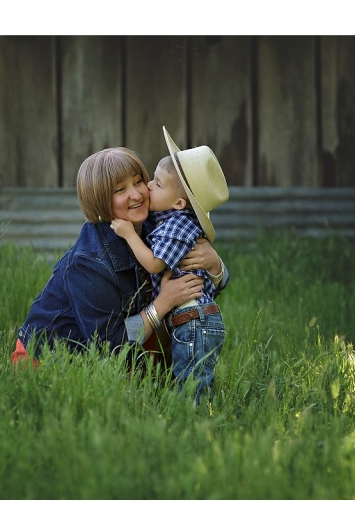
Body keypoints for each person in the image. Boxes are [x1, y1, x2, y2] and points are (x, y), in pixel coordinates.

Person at [12, 146, 228, 373]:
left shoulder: (158, 223)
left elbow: (201, 289)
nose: (136, 195)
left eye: (138, 181)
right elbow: (110, 346)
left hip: (127, 349)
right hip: (53, 361)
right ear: (100, 200)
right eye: (120, 189)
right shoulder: (88, 263)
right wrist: (163, 303)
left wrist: (215, 265)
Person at [110, 127, 229, 401]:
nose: (148, 187)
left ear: (178, 203)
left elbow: (154, 265)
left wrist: (129, 235)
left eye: (157, 184)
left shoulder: (175, 226)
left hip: (193, 320)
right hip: (190, 320)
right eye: (151, 179)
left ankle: (196, 419)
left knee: (193, 386)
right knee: (188, 378)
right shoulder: (165, 218)